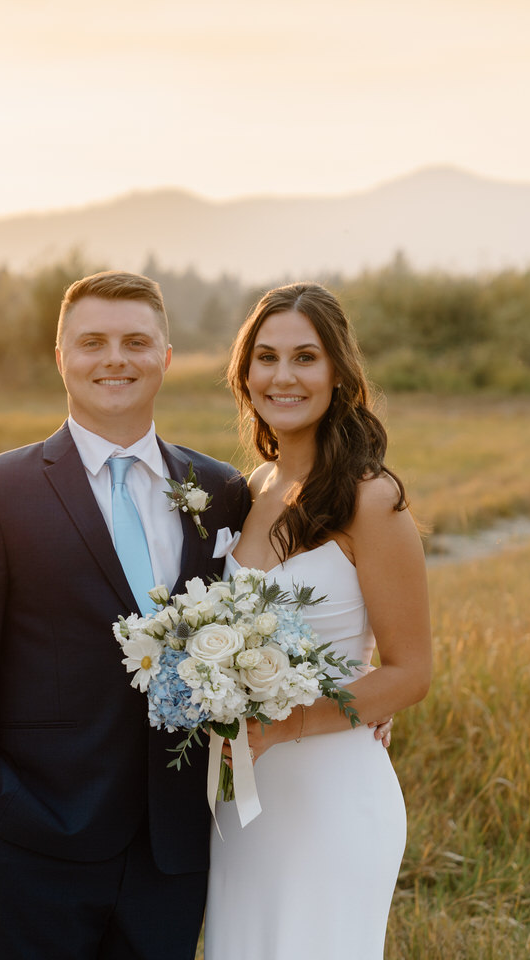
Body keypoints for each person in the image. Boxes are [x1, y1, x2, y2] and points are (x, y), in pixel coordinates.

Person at [0, 270, 252, 960]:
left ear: (165, 357)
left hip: (172, 845)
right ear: (62, 356)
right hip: (31, 839)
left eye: (136, 342)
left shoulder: (219, 490)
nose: (115, 359)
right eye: (93, 341)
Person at [204, 281, 433, 959]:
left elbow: (411, 672)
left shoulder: (371, 498)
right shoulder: (249, 492)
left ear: (338, 373)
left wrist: (287, 724)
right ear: (245, 375)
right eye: (266, 357)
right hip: (241, 804)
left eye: (305, 357)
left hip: (332, 794)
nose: (284, 375)